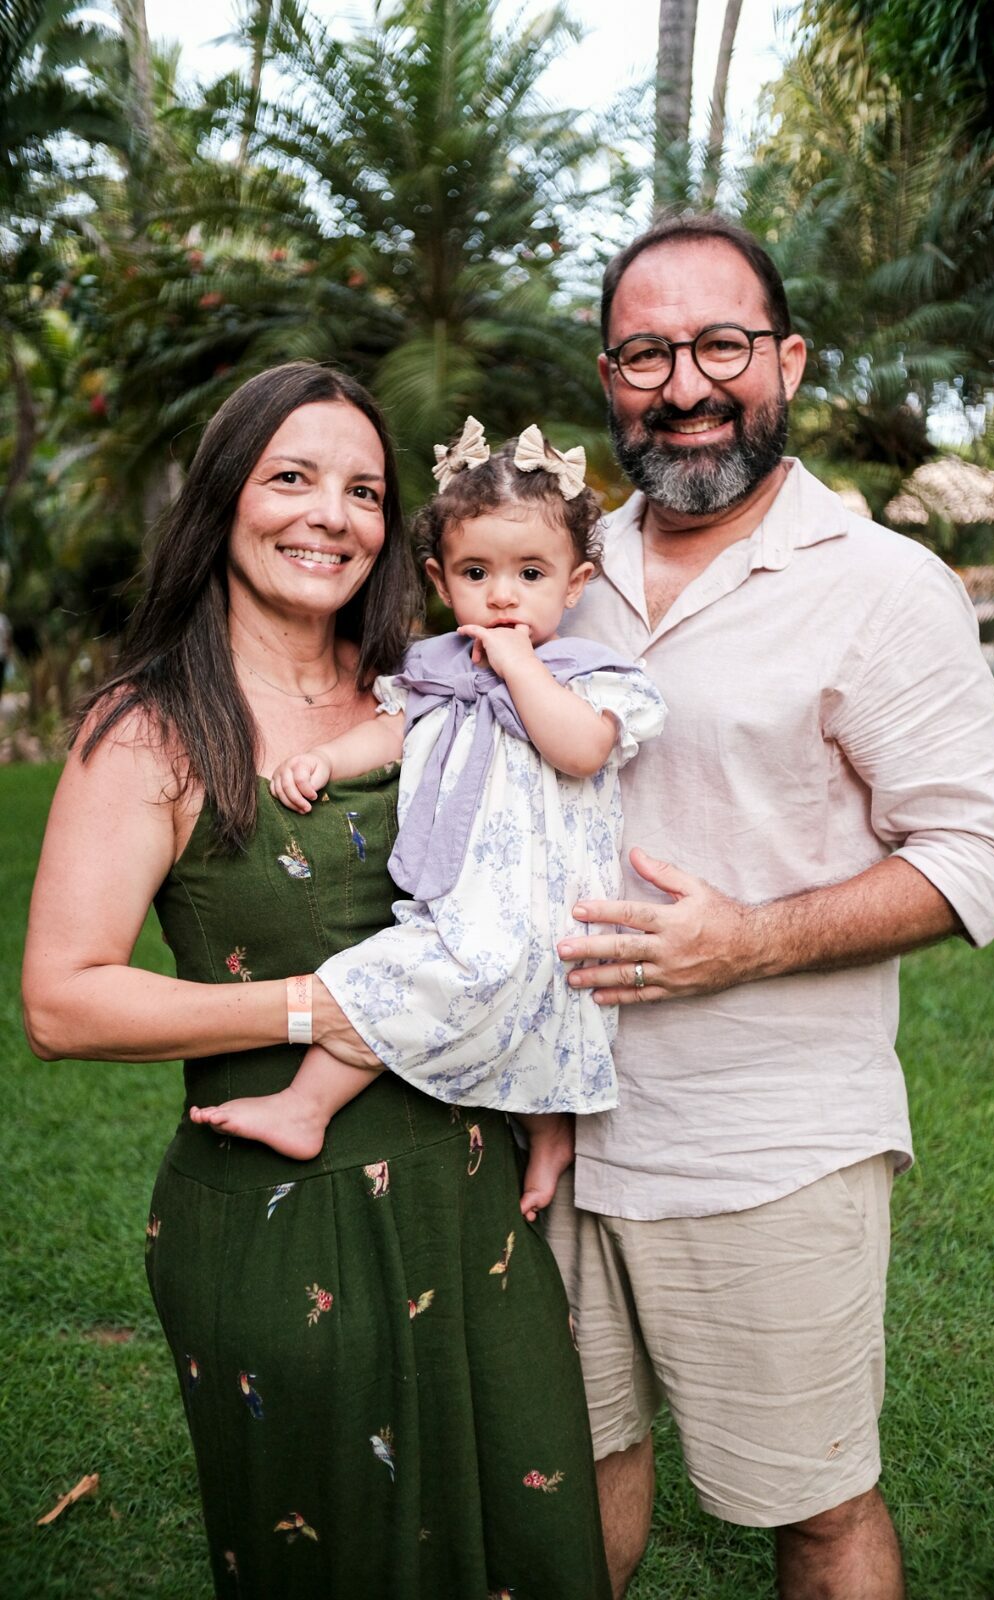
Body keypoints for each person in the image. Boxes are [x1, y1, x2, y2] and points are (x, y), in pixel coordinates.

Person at [22, 363, 612, 1599]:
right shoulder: (151, 728)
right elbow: (63, 1000)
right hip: (286, 1218)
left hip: (474, 1193)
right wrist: (314, 1009)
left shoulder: (433, 683)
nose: (328, 516)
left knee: (535, 1544)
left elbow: (535, 878)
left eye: (362, 490)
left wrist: (547, 1087)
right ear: (225, 497)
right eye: (290, 476)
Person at [541, 216, 994, 1600]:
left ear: (788, 360)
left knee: (811, 1504)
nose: (684, 385)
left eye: (720, 345)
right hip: (546, 1134)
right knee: (563, 1474)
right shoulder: (556, 574)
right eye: (646, 354)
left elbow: (976, 854)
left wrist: (746, 941)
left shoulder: (878, 588)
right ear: (608, 377)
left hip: (763, 1144)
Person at [190, 419, 666, 1223]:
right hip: (462, 895)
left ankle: (308, 1107)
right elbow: (390, 732)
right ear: (441, 580)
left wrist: (517, 668)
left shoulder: (589, 677)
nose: (502, 595)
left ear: (574, 583)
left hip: (545, 904)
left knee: (412, 983)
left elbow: (581, 750)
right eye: (477, 573)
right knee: (458, 987)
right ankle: (542, 1135)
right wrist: (326, 759)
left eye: (530, 573)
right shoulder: (432, 671)